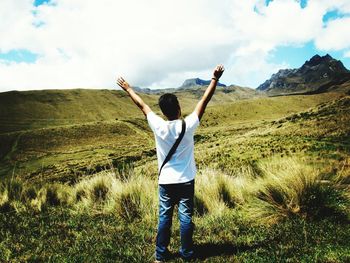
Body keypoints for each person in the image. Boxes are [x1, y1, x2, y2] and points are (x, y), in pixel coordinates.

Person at [117, 65, 225, 262]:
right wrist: (214, 79)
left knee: (164, 218)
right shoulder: (189, 124)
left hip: (166, 181)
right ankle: (187, 254)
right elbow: (204, 101)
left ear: (164, 112)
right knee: (185, 218)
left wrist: (128, 89)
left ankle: (161, 255)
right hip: (186, 181)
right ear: (178, 108)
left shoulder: (158, 125)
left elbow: (142, 106)